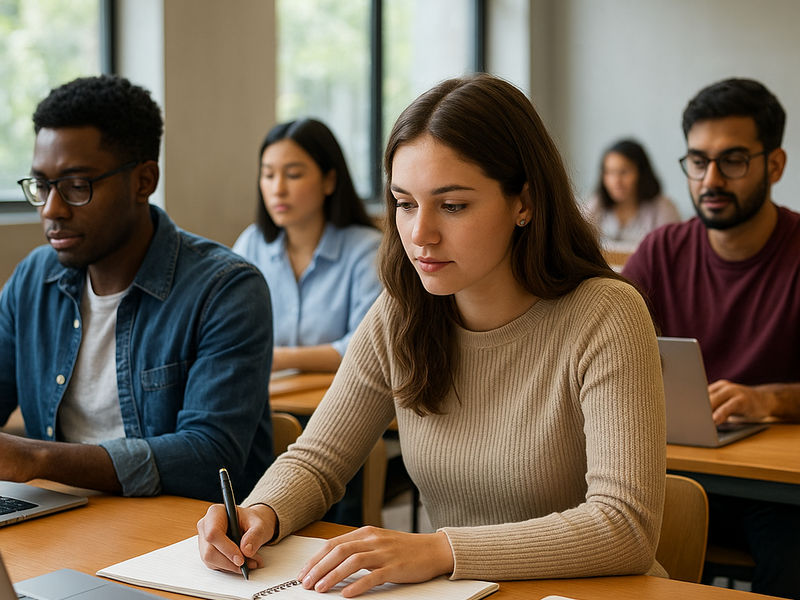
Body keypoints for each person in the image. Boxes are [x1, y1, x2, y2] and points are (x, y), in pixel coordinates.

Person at [197, 73, 667, 596]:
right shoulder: (401, 312)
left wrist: (441, 550)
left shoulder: (606, 314)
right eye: (404, 203)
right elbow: (319, 460)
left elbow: (624, 527)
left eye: (453, 205)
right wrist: (262, 512)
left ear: (524, 203)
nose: (420, 234)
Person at [0, 75, 274, 503]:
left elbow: (210, 457)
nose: (52, 209)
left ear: (144, 181)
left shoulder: (226, 288)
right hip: (58, 524)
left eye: (76, 186)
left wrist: (38, 458)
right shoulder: (33, 280)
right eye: (42, 185)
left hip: (188, 542)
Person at [623, 78, 800, 598]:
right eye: (697, 162)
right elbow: (592, 340)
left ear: (774, 165)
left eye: (734, 160)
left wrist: (769, 399)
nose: (711, 179)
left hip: (774, 492)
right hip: (669, 472)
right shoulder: (661, 252)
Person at [232, 119, 382, 374]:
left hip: (337, 402)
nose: (277, 189)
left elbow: (367, 350)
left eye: (293, 175)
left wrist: (276, 358)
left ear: (329, 180)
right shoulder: (252, 243)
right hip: (266, 400)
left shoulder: (368, 250)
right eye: (268, 175)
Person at [584, 139, 681, 253]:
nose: (616, 181)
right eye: (609, 172)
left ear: (641, 173)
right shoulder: (595, 204)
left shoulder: (663, 208)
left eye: (624, 172)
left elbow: (670, 252)